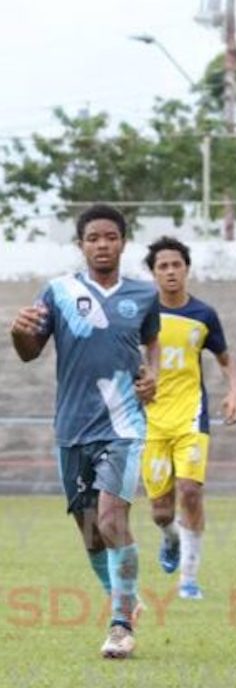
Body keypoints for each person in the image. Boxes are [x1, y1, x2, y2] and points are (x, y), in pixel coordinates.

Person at [9, 204, 160, 659]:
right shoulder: (58, 292)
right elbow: (29, 352)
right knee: (91, 532)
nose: (102, 244)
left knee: (114, 519)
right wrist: (18, 332)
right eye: (93, 237)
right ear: (81, 244)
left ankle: (119, 625)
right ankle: (127, 601)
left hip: (123, 426)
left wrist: (153, 376)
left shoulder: (144, 294)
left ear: (123, 242)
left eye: (110, 236)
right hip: (72, 427)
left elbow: (151, 346)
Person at [140, 236, 236, 600]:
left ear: (186, 268)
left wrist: (233, 392)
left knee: (191, 492)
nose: (170, 271)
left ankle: (189, 579)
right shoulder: (141, 311)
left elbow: (225, 359)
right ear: (153, 273)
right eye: (162, 266)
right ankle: (169, 540)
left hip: (190, 416)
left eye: (176, 264)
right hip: (151, 421)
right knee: (160, 511)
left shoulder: (204, 315)